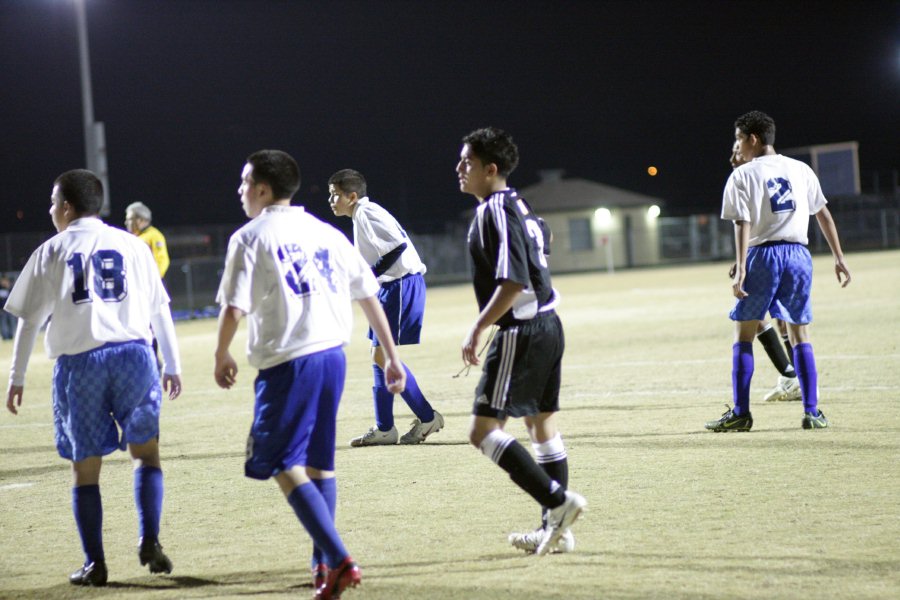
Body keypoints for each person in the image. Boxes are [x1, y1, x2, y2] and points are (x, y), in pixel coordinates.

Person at [214, 150, 406, 600]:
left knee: (280, 461)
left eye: (245, 182)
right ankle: (322, 565)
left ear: (263, 188)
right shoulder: (325, 232)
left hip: (289, 362)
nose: (240, 190)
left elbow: (233, 306)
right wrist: (391, 356)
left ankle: (339, 559)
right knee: (320, 463)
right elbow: (368, 295)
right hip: (331, 357)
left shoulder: (250, 237)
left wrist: (222, 351)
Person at [4, 169, 183, 586]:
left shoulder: (52, 250)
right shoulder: (133, 245)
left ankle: (95, 563)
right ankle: (150, 539)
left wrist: (16, 377)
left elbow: (29, 321)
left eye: (53, 202)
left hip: (80, 363)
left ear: (66, 206)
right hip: (135, 357)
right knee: (147, 456)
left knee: (85, 469)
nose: (51, 210)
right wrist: (171, 363)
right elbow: (160, 310)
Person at [456, 127, 586, 556]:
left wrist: (478, 326)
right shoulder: (519, 205)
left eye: (467, 163)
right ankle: (557, 531)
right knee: (541, 424)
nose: (459, 169)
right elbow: (538, 247)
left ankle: (557, 504)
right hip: (548, 325)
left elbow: (514, 279)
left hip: (523, 331)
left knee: (481, 431)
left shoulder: (495, 209)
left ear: (490, 170)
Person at [707, 111, 851, 432]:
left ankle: (742, 414)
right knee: (800, 333)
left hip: (763, 256)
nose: (736, 145)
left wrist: (743, 265)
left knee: (744, 333)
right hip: (799, 255)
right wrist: (839, 257)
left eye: (738, 138)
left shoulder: (742, 176)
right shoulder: (800, 169)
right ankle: (812, 412)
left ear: (753, 139)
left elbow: (743, 222)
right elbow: (823, 214)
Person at [327, 168, 443, 446]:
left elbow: (397, 247)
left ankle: (427, 417)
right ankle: (385, 428)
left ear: (352, 196)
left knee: (382, 356)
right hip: (391, 287)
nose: (331, 201)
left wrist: (369, 274)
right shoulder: (362, 215)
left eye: (335, 195)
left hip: (401, 285)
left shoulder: (366, 213)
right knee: (377, 354)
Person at [728, 141, 801, 403]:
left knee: (760, 317)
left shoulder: (751, 177)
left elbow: (749, 224)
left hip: (769, 257)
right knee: (774, 318)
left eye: (737, 149)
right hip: (772, 255)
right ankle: (794, 379)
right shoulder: (749, 178)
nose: (732, 156)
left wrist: (744, 261)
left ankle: (793, 378)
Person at [125, 201, 170, 278]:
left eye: (130, 219)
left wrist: (152, 280)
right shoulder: (135, 237)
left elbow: (162, 261)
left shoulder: (154, 236)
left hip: (149, 284)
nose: (126, 222)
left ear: (140, 220)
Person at [0, 276, 15, 340]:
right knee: (3, 323)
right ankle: (5, 336)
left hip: (10, 309)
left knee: (12, 322)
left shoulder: (11, 289)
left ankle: (11, 335)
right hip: (2, 310)